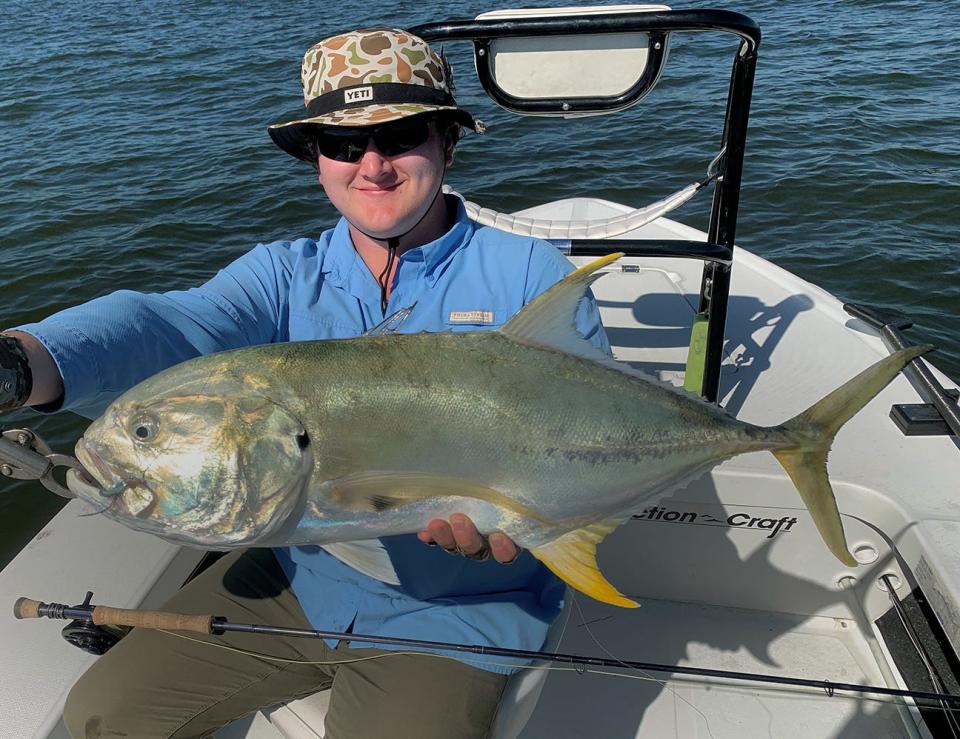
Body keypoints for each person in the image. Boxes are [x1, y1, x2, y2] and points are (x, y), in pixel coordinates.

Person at [1, 28, 610, 739]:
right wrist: (20, 363)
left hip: (464, 606)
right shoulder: (285, 274)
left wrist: (538, 521)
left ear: (448, 143)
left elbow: (589, 435)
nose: (373, 164)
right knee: (103, 715)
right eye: (343, 144)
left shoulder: (529, 277)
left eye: (402, 133)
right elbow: (168, 323)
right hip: (302, 583)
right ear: (316, 160)